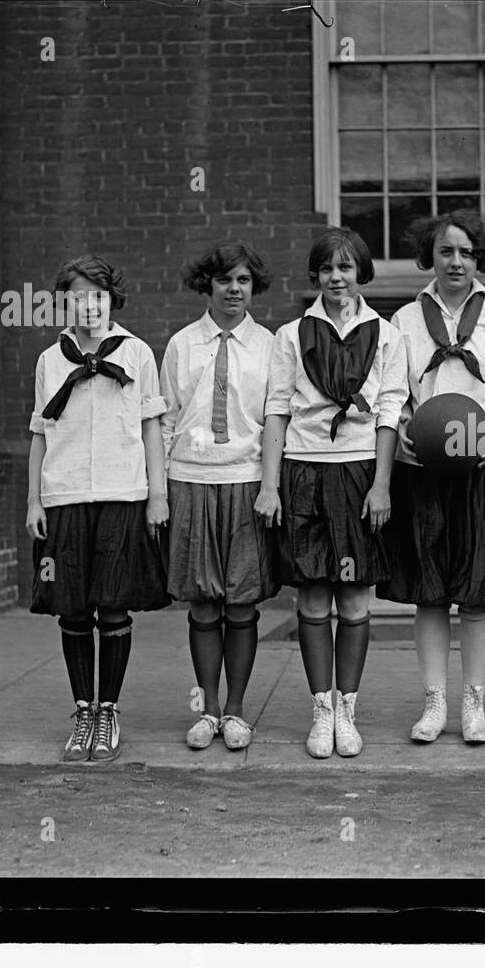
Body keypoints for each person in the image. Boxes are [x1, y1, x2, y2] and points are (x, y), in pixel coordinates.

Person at [256, 228, 407, 759]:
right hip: (304, 469)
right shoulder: (291, 335)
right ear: (315, 276)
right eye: (326, 269)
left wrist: (382, 484)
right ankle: (320, 708)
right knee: (314, 592)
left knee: (354, 594)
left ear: (360, 273)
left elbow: (390, 411)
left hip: (359, 473)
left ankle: (348, 706)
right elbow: (277, 408)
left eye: (345, 267)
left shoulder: (386, 335)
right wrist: (269, 486)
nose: (336, 278)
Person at [378, 211, 485, 744]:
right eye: (445, 252)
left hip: (484, 466)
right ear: (429, 258)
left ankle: (474, 705)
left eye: (465, 252)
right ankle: (435, 702)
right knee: (430, 590)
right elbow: (393, 393)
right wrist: (404, 434)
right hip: (422, 468)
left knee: (478, 591)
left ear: (478, 258)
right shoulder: (404, 321)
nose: (455, 261)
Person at [26, 254, 169, 763]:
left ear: (112, 300)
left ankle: (108, 710)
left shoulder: (136, 354)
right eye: (78, 296)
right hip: (63, 496)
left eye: (98, 296)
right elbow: (41, 433)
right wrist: (33, 500)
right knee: (72, 606)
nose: (88, 305)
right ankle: (82, 710)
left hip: (121, 494)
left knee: (112, 603)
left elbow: (152, 427)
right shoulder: (50, 359)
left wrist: (157, 495)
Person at [161, 242, 280, 751]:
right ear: (206, 285)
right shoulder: (182, 344)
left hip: (246, 479)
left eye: (244, 281)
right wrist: (160, 492)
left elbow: (276, 417)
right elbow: (165, 421)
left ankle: (235, 712)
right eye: (225, 280)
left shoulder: (271, 345)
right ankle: (207, 710)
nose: (235, 290)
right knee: (204, 603)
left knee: (240, 602)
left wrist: (270, 486)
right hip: (190, 479)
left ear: (254, 287)